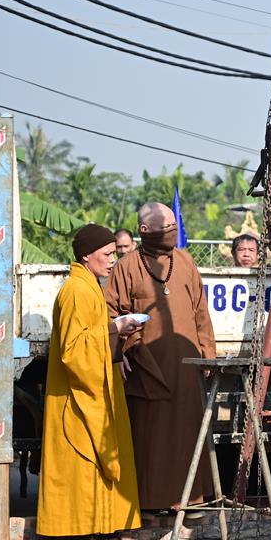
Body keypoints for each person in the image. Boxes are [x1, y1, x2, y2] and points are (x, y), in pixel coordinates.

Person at [37, 224, 142, 540]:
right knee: (79, 469)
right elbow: (73, 351)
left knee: (97, 470)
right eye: (108, 254)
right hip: (75, 398)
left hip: (95, 390)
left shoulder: (91, 287)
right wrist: (115, 327)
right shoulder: (75, 291)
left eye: (114, 253)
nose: (113, 261)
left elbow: (92, 339)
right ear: (86, 255)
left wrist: (116, 348)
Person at [105, 203, 216, 513]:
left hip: (187, 366)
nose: (172, 233)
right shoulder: (126, 266)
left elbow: (200, 311)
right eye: (166, 228)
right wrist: (123, 348)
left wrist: (208, 353)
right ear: (145, 231)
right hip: (147, 367)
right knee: (150, 437)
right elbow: (111, 314)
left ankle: (190, 500)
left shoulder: (185, 261)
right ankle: (149, 502)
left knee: (187, 433)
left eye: (173, 227)